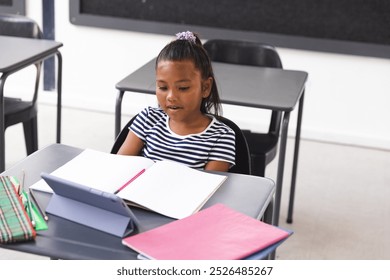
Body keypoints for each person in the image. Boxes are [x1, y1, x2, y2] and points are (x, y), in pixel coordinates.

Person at [117, 31, 235, 172]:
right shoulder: (147, 119)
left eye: (183, 88)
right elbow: (119, 169)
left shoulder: (221, 137)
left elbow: (209, 190)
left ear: (205, 87)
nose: (171, 96)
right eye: (163, 87)